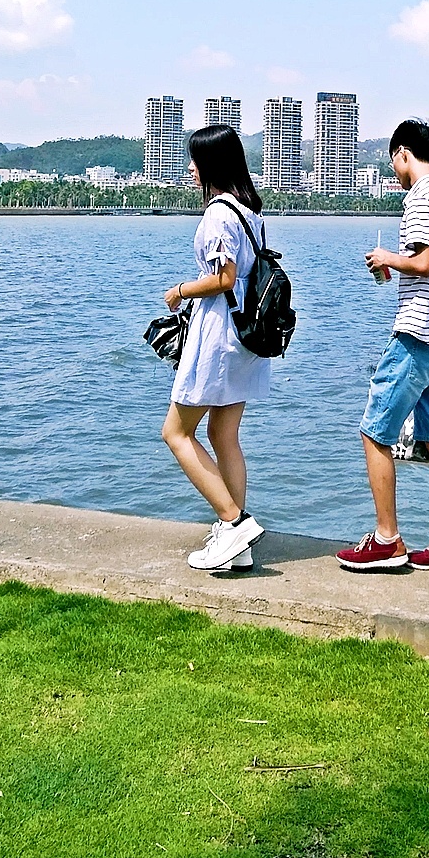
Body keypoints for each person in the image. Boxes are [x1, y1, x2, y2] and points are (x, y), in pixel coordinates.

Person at [337, 118, 429, 575]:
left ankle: (386, 540)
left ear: (403, 154)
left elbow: (425, 262)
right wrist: (398, 264)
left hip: (416, 336)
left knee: (374, 431)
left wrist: (386, 258)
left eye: (393, 161)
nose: (393, 169)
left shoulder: (419, 199)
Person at [161, 123, 268, 573]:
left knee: (176, 432)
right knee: (224, 435)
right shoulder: (249, 212)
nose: (190, 168)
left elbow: (224, 279)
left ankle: (233, 521)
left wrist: (181, 291)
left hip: (219, 335)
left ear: (212, 165)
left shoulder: (218, 214)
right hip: (244, 337)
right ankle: (235, 544)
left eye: (195, 160)